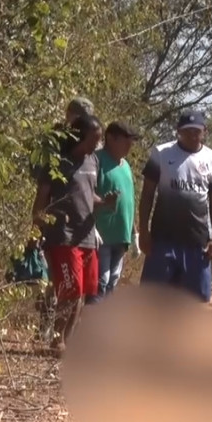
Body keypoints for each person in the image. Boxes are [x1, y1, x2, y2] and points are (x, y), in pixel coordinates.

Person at [32, 114, 116, 356]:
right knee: (71, 290)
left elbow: (88, 196)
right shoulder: (57, 163)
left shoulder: (93, 162)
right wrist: (36, 231)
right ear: (79, 136)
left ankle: (66, 342)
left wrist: (105, 201)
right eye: (94, 139)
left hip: (87, 237)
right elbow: (40, 202)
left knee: (83, 293)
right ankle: (57, 339)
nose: (97, 145)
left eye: (100, 140)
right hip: (62, 237)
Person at [138, 110, 212, 303]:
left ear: (205, 131)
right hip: (163, 240)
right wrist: (143, 231)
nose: (193, 136)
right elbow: (147, 195)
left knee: (196, 301)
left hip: (197, 243)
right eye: (188, 132)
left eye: (197, 131)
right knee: (153, 299)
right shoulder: (161, 154)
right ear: (178, 131)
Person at [87, 121, 143, 303]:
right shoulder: (96, 160)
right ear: (110, 138)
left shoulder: (125, 166)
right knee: (100, 281)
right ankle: (93, 323)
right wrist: (90, 226)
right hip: (101, 235)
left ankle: (107, 321)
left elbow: (129, 201)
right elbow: (85, 193)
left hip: (121, 235)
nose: (129, 145)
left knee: (113, 280)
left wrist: (134, 233)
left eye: (131, 141)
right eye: (126, 140)